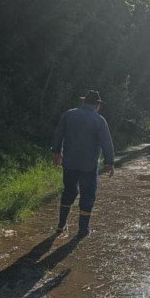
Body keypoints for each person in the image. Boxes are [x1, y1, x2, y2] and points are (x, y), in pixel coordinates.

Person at [51, 90, 115, 236]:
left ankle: (61, 225)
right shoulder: (99, 120)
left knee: (69, 191)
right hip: (89, 166)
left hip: (70, 163)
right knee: (87, 195)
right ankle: (83, 230)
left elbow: (58, 134)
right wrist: (109, 162)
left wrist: (57, 153)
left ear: (84, 101)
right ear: (97, 105)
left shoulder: (69, 114)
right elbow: (107, 143)